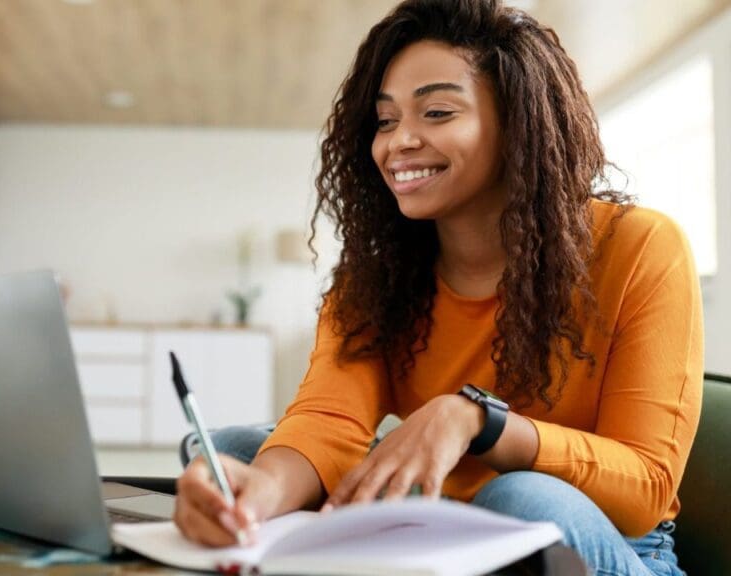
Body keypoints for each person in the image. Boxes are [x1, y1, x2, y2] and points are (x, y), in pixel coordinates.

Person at [173, 1, 703, 574]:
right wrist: (257, 497)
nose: (399, 141)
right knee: (235, 450)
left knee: (521, 498)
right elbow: (329, 419)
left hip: (609, 544)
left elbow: (645, 487)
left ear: (518, 121)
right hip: (443, 524)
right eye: (385, 120)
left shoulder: (642, 246)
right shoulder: (377, 278)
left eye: (438, 112)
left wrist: (480, 421)